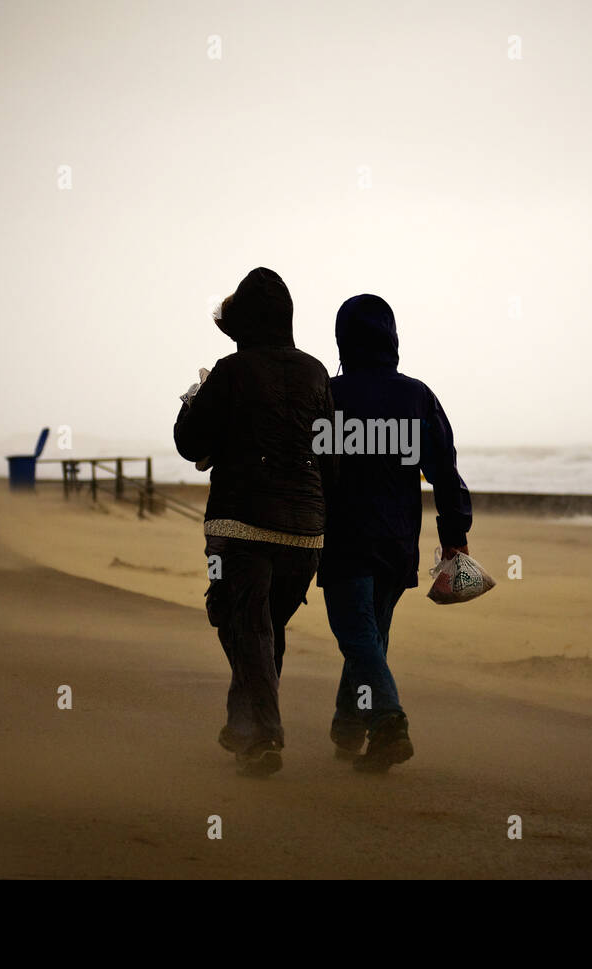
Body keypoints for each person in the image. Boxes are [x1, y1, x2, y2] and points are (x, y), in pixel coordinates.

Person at [174, 267, 336, 776]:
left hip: (239, 529)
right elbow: (330, 454)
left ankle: (263, 735)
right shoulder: (315, 373)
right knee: (264, 627)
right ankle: (245, 727)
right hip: (307, 532)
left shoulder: (229, 371)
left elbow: (190, 445)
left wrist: (190, 401)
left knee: (237, 621)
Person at [317, 294, 472, 772]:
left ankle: (388, 721)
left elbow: (309, 468)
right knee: (370, 634)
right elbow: (444, 472)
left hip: (344, 538)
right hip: (397, 540)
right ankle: (347, 725)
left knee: (358, 634)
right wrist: (455, 536)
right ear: (392, 337)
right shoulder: (416, 396)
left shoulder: (329, 396)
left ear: (343, 339)